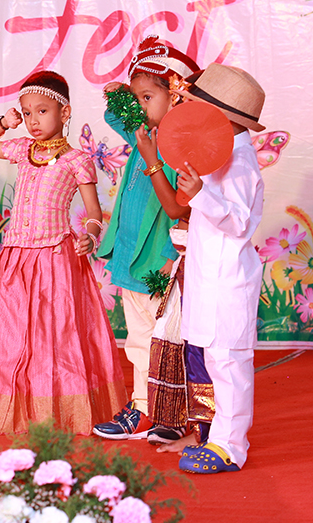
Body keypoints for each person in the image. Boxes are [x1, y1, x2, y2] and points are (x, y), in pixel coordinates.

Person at [0, 71, 127, 435]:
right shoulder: (22, 148)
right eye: (26, 113)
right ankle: (13, 407)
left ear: (64, 112)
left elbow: (94, 212)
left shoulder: (77, 160)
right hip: (16, 256)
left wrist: (90, 235)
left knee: (55, 333)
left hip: (55, 255)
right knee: (11, 329)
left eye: (42, 111)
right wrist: (3, 124)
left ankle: (57, 409)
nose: (33, 120)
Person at [91, 37, 197, 442]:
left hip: (158, 262)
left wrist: (172, 257)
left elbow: (183, 210)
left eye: (148, 97)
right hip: (130, 259)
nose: (139, 106)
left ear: (176, 97)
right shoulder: (143, 134)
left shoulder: (180, 146)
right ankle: (146, 409)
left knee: (161, 340)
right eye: (137, 98)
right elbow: (114, 112)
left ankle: (161, 412)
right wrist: (127, 94)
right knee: (138, 340)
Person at [172, 64, 266, 474]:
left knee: (230, 365)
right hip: (211, 277)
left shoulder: (240, 161)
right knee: (216, 361)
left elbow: (239, 221)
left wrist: (199, 195)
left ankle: (231, 447)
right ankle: (220, 440)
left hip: (228, 281)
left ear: (222, 117)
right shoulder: (219, 154)